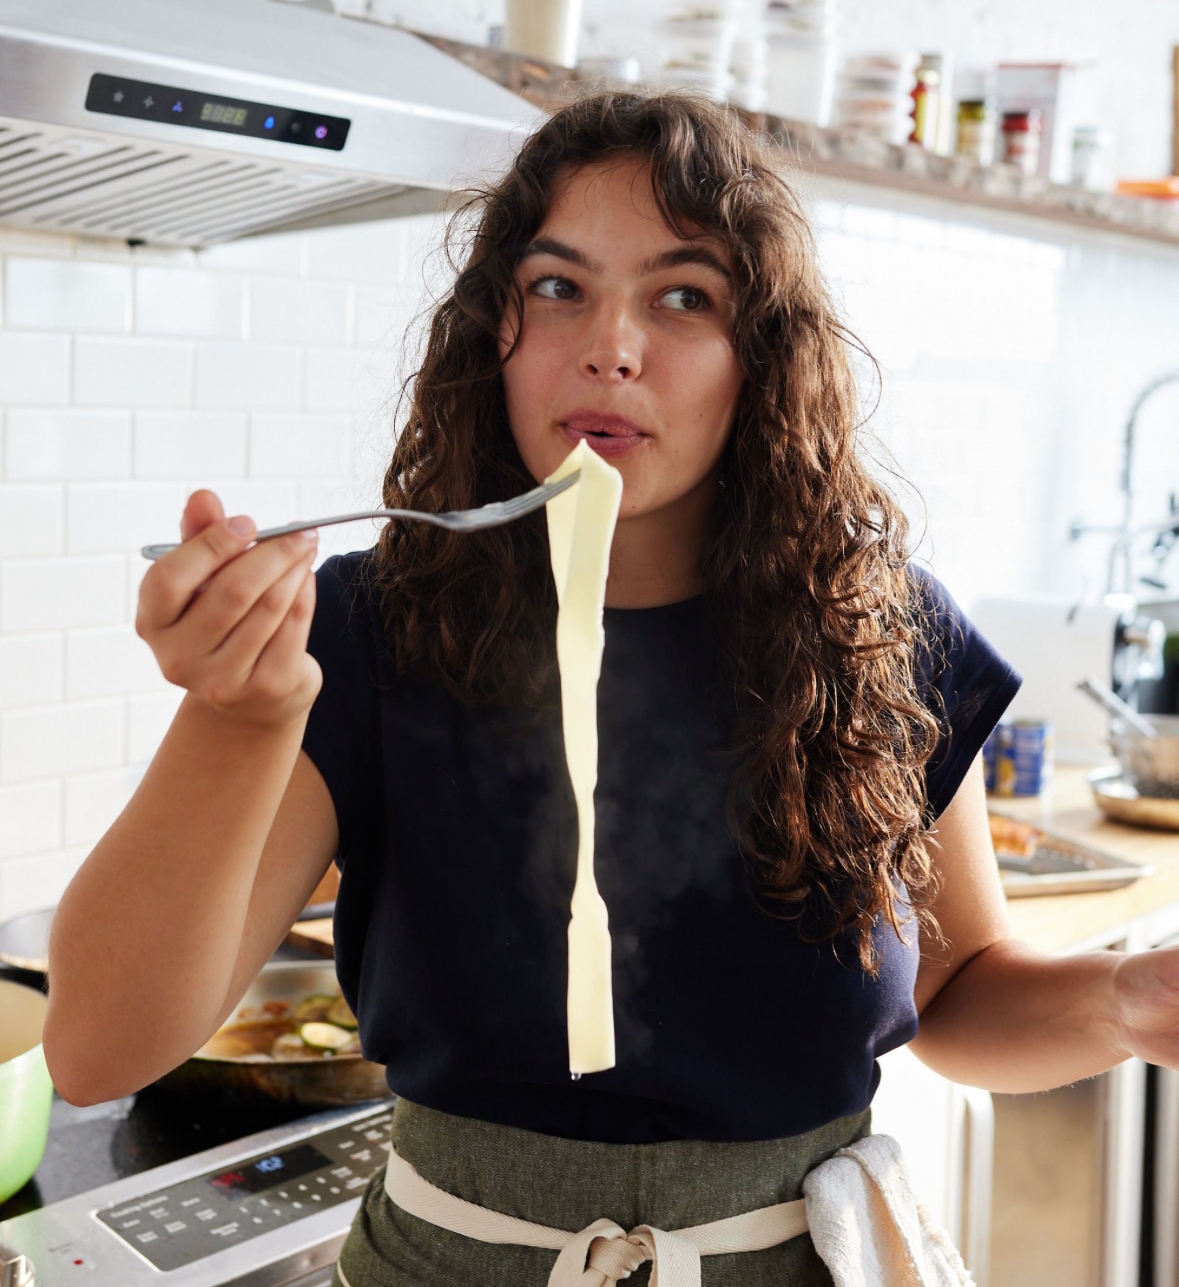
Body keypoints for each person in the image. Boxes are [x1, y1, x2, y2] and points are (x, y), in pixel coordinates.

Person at [42, 92, 1179, 1286]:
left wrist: (1125, 1003)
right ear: (497, 330)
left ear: (763, 355)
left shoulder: (878, 632)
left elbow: (960, 993)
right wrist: (238, 713)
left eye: (684, 297)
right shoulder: (369, 631)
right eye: (558, 287)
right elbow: (99, 1045)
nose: (612, 346)